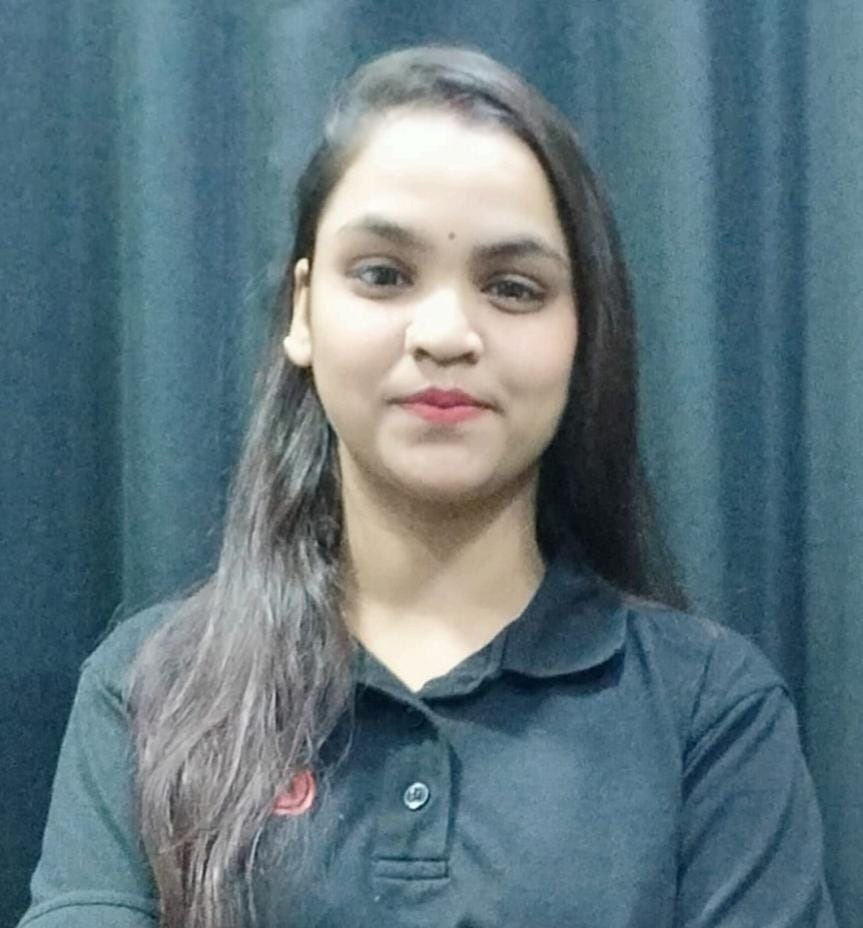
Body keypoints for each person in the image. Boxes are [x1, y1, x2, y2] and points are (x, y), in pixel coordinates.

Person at [18, 44, 837, 928]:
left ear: (581, 332)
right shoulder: (150, 688)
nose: (444, 333)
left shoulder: (711, 713)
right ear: (303, 309)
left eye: (512, 288)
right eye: (383, 275)